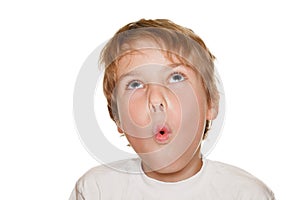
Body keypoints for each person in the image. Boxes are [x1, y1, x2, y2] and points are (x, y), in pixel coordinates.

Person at [69, 19, 275, 199]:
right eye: (135, 84)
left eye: (176, 77)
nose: (156, 99)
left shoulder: (247, 194)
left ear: (211, 103)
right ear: (117, 118)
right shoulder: (96, 191)